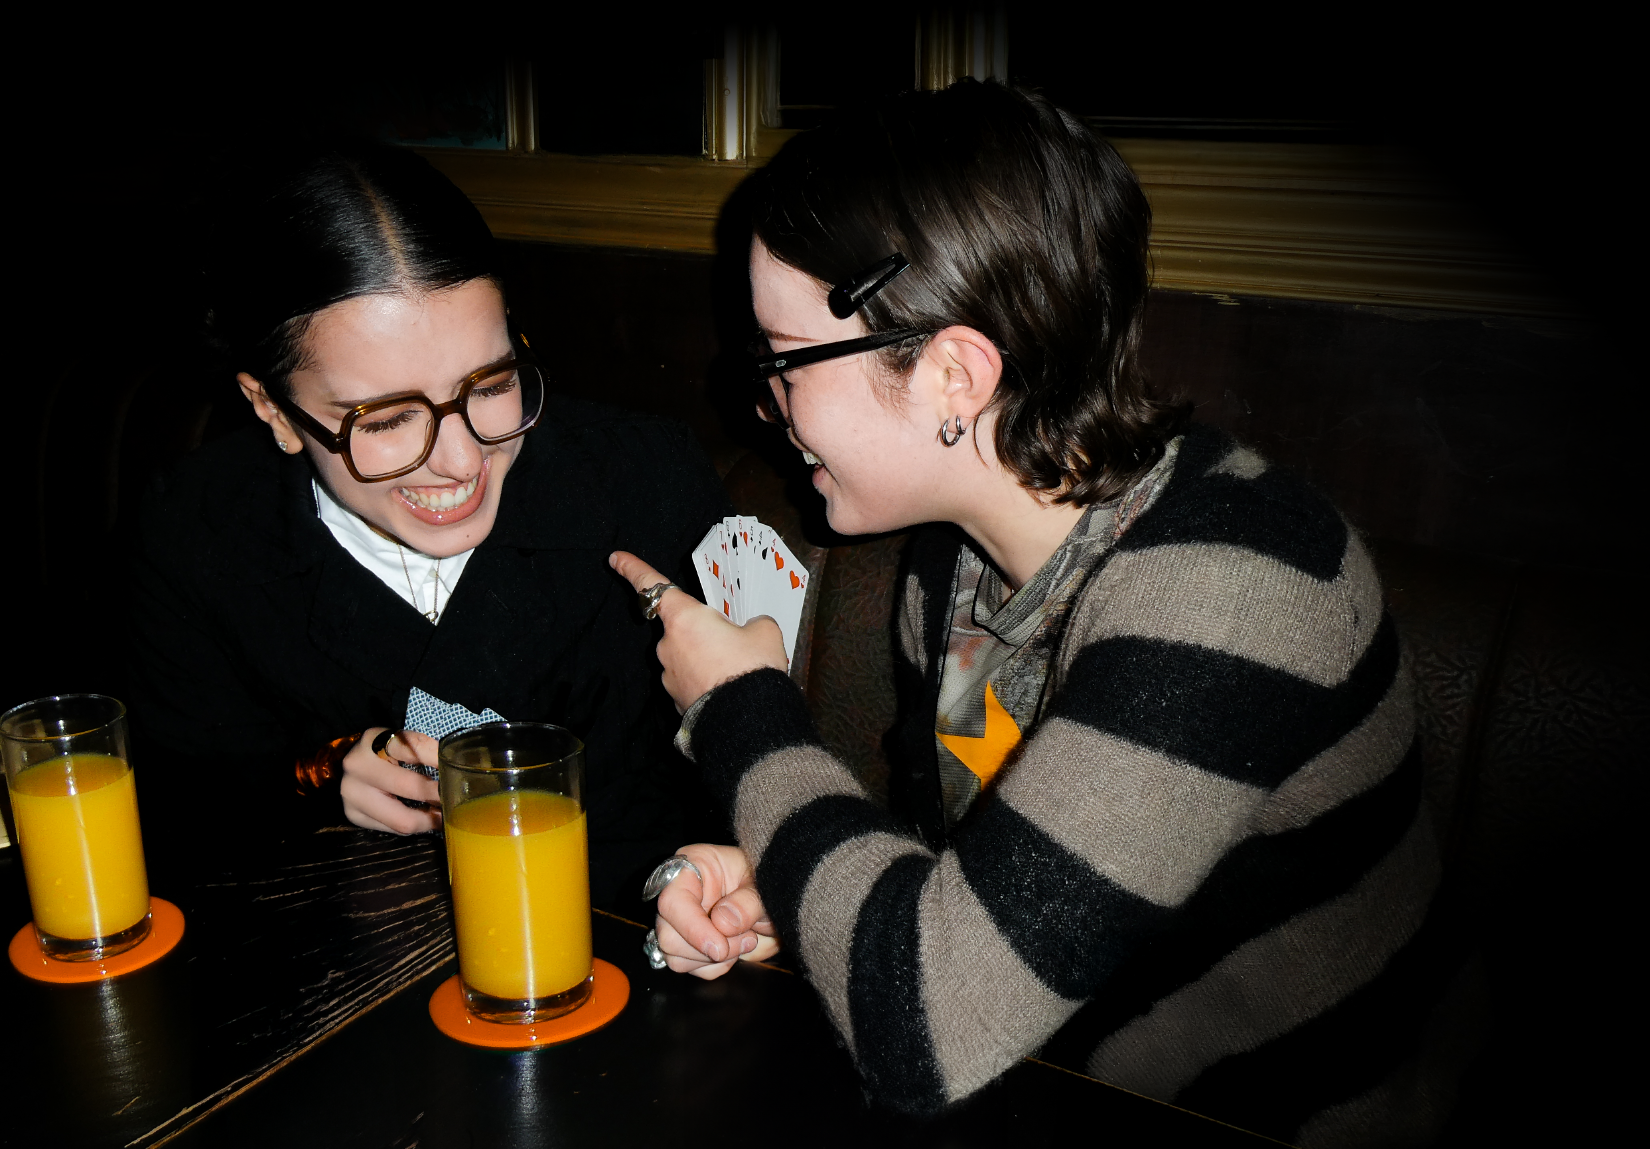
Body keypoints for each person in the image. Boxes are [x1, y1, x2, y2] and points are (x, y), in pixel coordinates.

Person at [613, 82, 1467, 1144]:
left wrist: (743, 709)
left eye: (783, 362)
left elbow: (926, 1022)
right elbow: (986, 891)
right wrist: (792, 884)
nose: (766, 404)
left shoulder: (1240, 584)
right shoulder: (953, 573)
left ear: (953, 373)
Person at [129, 143, 731, 905]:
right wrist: (319, 773)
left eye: (492, 382)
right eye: (386, 420)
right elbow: (180, 804)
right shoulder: (198, 533)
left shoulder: (648, 482)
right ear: (271, 409)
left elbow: (728, 789)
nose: (461, 459)